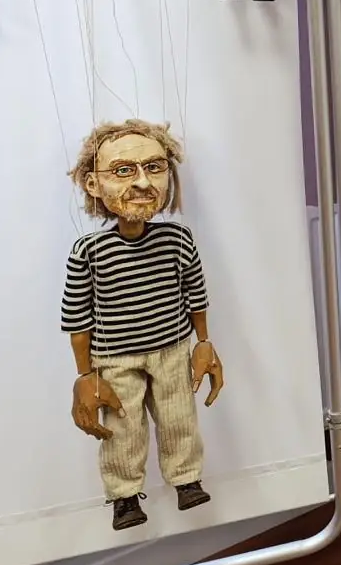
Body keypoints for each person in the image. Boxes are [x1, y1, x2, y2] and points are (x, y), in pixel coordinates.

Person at [63, 120, 224, 530]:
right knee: (122, 428)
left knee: (179, 417)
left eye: (154, 167)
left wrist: (203, 342)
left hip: (171, 349)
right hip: (115, 360)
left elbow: (196, 293)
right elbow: (77, 316)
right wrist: (85, 374)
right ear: (93, 184)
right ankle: (124, 497)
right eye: (123, 170)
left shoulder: (177, 239)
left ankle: (186, 479)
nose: (142, 181)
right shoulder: (89, 251)